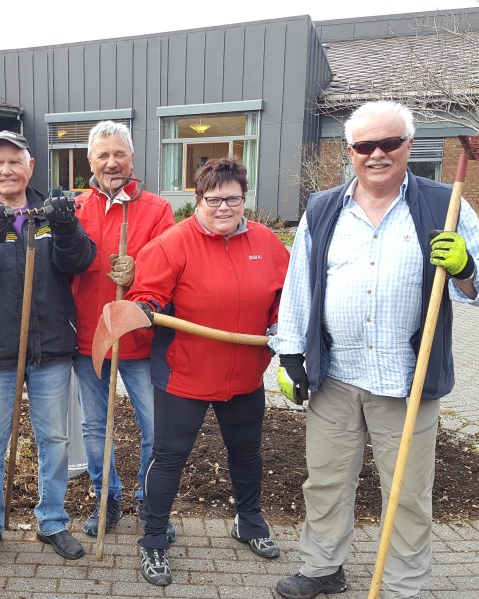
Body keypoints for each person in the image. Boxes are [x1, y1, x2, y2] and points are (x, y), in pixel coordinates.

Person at [271, 100, 479, 599]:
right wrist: (292, 354)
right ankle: (323, 568)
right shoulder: (322, 209)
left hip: (406, 381)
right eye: (366, 146)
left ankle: (403, 586)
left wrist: (466, 268)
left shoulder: (444, 204)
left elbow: (476, 287)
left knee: (408, 495)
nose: (378, 154)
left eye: (390, 143)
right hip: (336, 377)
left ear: (409, 146)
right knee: (324, 483)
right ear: (350, 152)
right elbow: (299, 283)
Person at [128, 157, 289, 586]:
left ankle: (249, 523)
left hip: (245, 375)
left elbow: (282, 295)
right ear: (198, 199)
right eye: (214, 199)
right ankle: (154, 540)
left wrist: (278, 323)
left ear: (244, 197)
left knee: (247, 452)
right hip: (186, 375)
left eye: (232, 198)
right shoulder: (173, 243)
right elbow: (149, 292)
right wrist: (145, 307)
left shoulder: (266, 242)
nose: (224, 207)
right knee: (169, 458)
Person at [0, 130, 96, 565]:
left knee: (54, 439)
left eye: (15, 160)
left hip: (50, 346)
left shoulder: (49, 212)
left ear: (30, 166)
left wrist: (67, 224)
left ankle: (52, 521)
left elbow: (81, 261)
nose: (6, 169)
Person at [70, 121, 174, 538]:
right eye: (103, 155)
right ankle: (106, 499)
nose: (112, 163)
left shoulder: (156, 209)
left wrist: (140, 271)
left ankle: (150, 505)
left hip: (141, 341)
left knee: (156, 429)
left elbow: (171, 268)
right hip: (89, 341)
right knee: (96, 427)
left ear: (132, 157)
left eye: (120, 154)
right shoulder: (76, 208)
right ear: (90, 161)